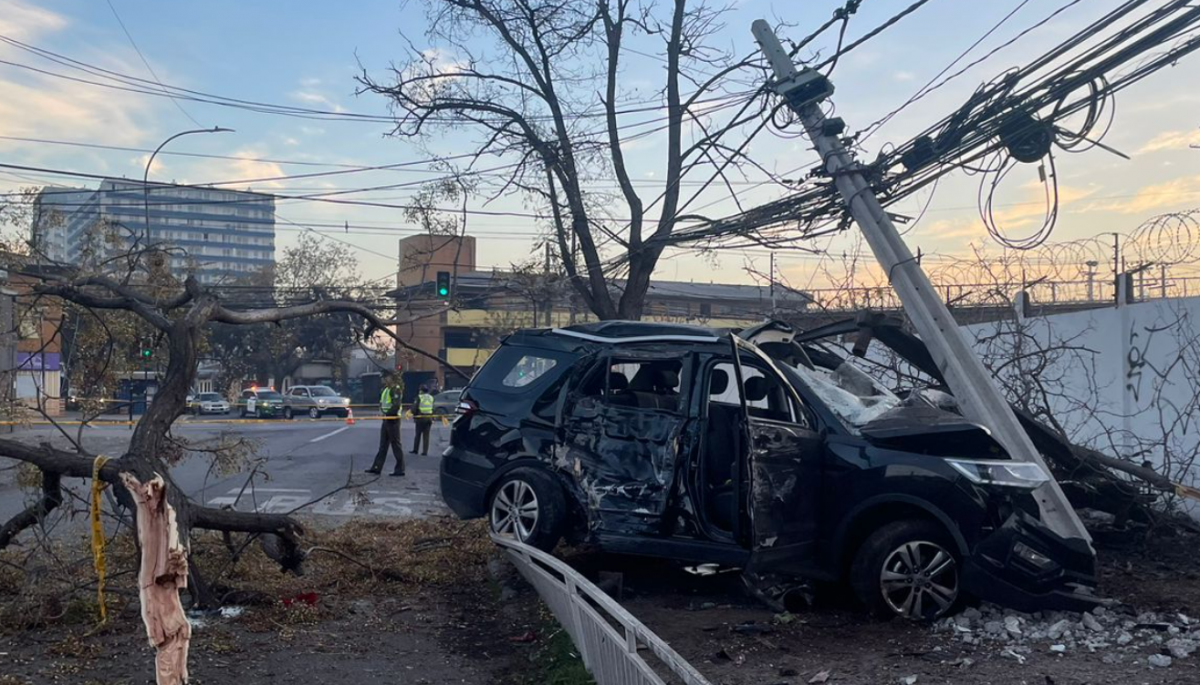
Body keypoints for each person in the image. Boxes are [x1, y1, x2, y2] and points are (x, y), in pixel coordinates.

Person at [366, 371, 405, 476]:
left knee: (395, 445)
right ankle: (376, 467)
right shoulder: (386, 390)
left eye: (384, 378)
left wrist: (388, 415)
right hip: (386, 419)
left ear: (390, 377)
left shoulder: (395, 389)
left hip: (393, 420)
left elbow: (396, 405)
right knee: (383, 445)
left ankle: (400, 469)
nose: (383, 380)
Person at [412, 384, 434, 456]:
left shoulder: (419, 397)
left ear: (421, 391)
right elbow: (432, 407)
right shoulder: (431, 397)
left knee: (418, 435)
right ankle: (425, 452)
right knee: (426, 436)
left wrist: (414, 415)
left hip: (421, 418)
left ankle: (415, 450)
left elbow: (414, 409)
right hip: (429, 418)